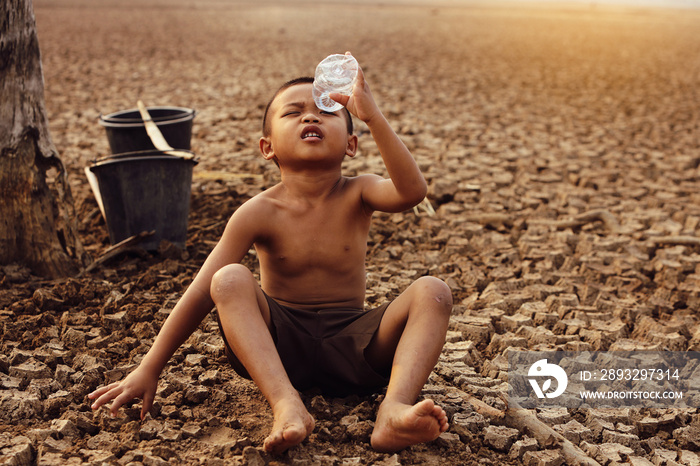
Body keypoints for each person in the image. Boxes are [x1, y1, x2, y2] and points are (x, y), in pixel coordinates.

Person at [88, 52, 453, 454]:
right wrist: (149, 367)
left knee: (432, 290)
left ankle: (393, 409)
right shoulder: (256, 212)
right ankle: (286, 403)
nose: (310, 118)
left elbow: (411, 192)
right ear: (267, 147)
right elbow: (200, 291)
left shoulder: (360, 191)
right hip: (280, 348)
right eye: (293, 112)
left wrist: (372, 117)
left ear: (351, 144)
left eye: (326, 111)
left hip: (356, 346)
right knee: (227, 278)